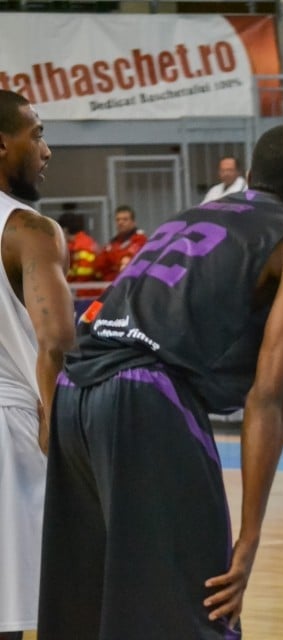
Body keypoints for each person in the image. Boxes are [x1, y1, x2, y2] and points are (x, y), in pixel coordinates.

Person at [37, 124, 283, 638]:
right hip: (144, 394)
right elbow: (268, 396)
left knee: (91, 602)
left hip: (73, 387)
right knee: (203, 603)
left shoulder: (185, 216)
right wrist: (251, 537)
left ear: (249, 177)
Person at [0, 89, 74, 640]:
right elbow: (56, 341)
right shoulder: (28, 229)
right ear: (3, 145)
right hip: (13, 429)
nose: (46, 150)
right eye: (38, 134)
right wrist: (56, 418)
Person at [92, 205, 147, 282]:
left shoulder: (140, 239)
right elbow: (99, 266)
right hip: (111, 284)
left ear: (133, 222)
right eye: (118, 220)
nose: (120, 222)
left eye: (125, 219)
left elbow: (127, 262)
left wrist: (114, 263)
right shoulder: (113, 243)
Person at [57, 211, 100, 285]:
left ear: (65, 230)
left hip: (85, 292)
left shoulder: (82, 246)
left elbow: (84, 275)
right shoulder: (79, 244)